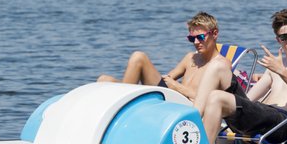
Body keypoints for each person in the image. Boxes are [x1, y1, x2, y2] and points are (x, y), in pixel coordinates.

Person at [197, 9, 287, 144]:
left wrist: (282, 71)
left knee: (216, 97)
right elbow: (249, 99)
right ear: (278, 40)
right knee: (218, 66)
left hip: (281, 124)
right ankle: (191, 123)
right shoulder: (275, 66)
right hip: (260, 117)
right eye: (284, 37)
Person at [97, 12, 234, 102]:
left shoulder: (221, 65)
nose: (196, 42)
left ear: (214, 34)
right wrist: (168, 83)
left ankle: (124, 104)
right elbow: (167, 79)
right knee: (109, 77)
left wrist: (177, 87)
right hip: (172, 97)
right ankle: (123, 102)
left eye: (201, 37)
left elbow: (209, 100)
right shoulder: (190, 57)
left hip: (186, 107)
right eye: (192, 39)